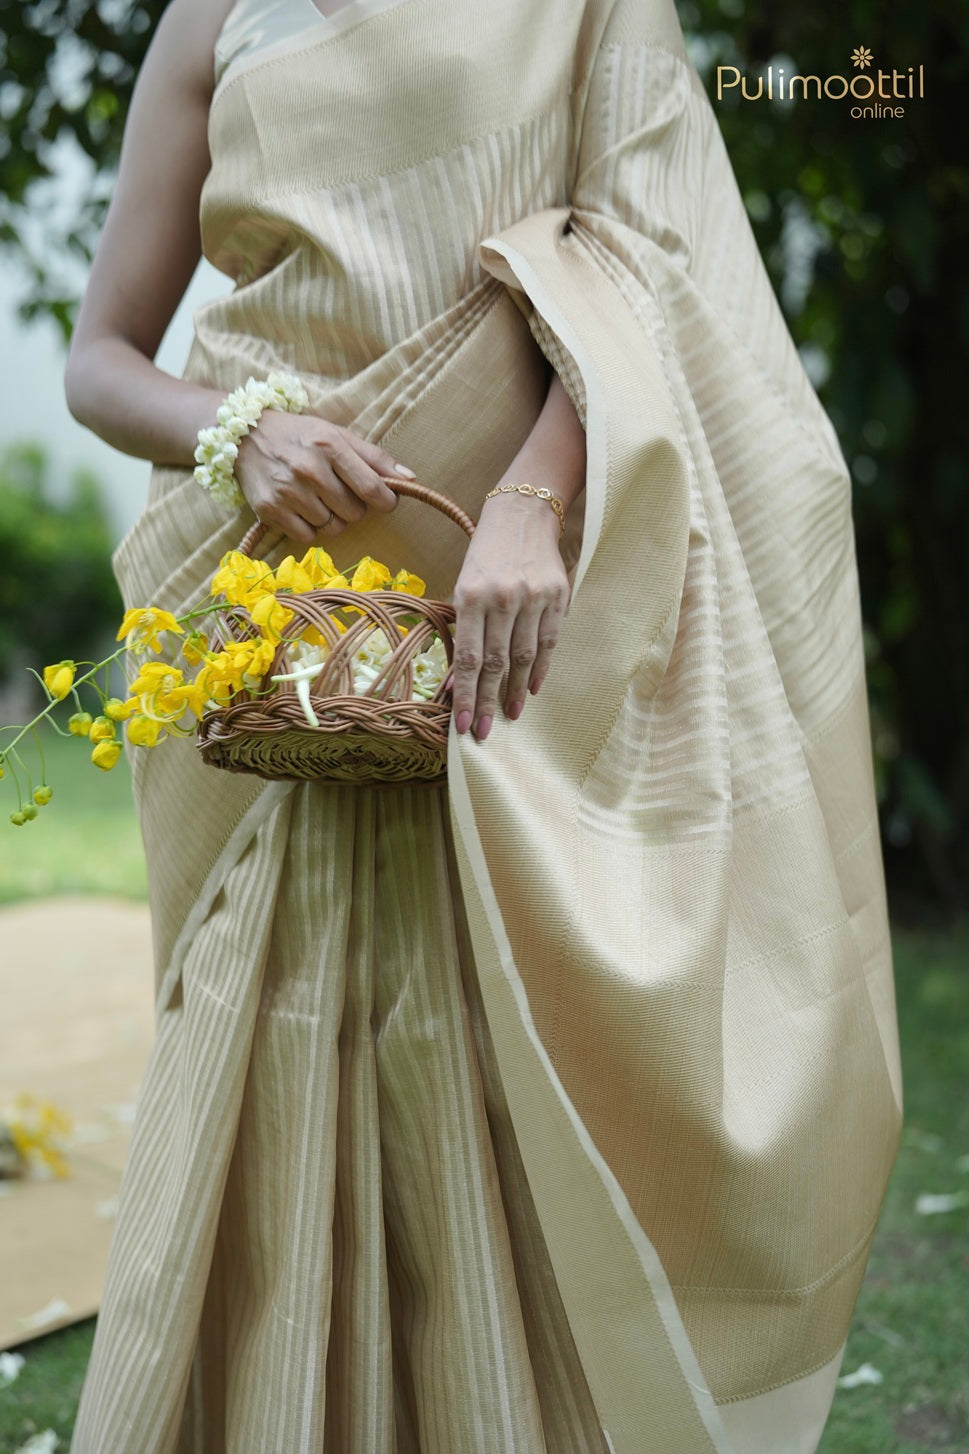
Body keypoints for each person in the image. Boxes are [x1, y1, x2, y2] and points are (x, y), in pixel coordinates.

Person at [64, 0, 903, 1450]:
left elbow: (647, 262)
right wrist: (237, 428)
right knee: (270, 1056)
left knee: (509, 1063)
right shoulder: (214, 16)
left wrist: (532, 500)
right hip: (293, 647)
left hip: (517, 638)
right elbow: (101, 358)